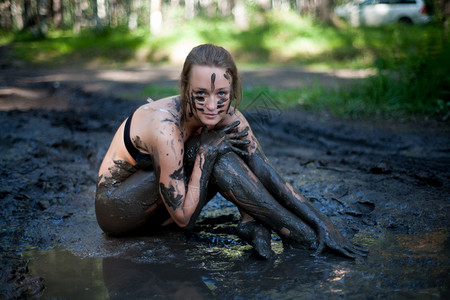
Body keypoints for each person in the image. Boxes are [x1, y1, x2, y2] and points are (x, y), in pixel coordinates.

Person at [95, 44, 367, 259]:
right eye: (201, 94)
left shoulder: (229, 117)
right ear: (185, 88)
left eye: (221, 94)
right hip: (120, 212)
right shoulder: (165, 128)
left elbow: (265, 172)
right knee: (212, 149)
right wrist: (204, 156)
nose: (212, 105)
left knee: (222, 146)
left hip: (164, 213)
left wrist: (323, 222)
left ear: (232, 89)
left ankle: (273, 226)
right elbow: (183, 219)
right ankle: (299, 238)